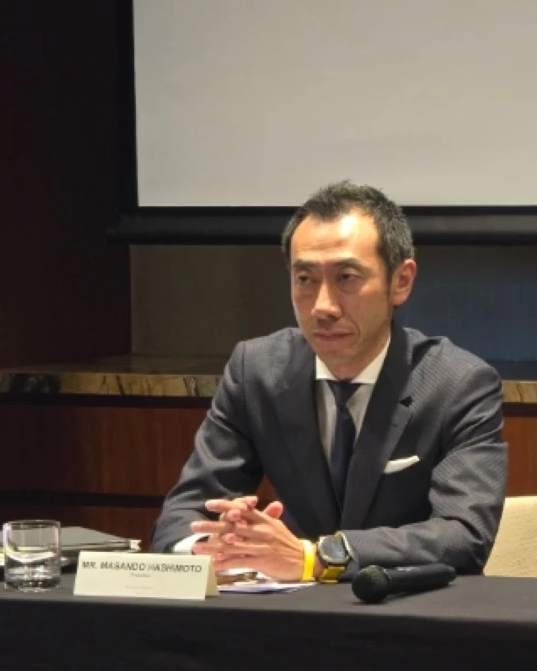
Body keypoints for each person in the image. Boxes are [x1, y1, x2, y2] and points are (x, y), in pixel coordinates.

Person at [150, 181, 508, 582]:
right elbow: (182, 517)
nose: (323, 307)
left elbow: (464, 535)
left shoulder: (456, 384)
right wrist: (214, 549)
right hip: (289, 608)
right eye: (305, 279)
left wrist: (318, 557)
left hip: (405, 606)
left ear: (401, 281)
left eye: (347, 277)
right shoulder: (257, 371)